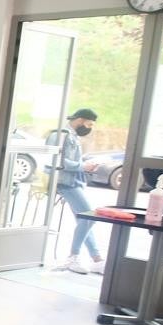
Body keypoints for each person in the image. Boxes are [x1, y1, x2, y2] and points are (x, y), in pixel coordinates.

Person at [48, 108, 104, 274]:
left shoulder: (71, 135)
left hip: (73, 181)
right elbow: (55, 159)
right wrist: (82, 166)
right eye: (89, 124)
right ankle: (73, 257)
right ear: (80, 120)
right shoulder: (61, 134)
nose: (89, 128)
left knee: (85, 219)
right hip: (65, 182)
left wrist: (84, 166)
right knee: (90, 217)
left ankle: (97, 259)